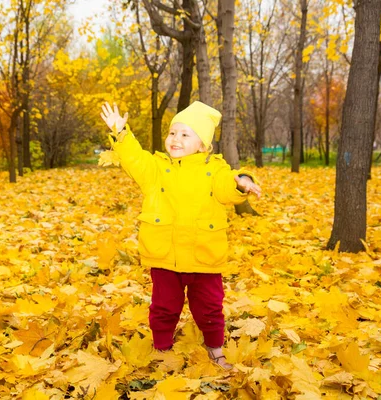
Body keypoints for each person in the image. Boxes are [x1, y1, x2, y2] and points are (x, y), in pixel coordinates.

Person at [99, 101, 261, 370]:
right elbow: (134, 159)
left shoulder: (215, 169)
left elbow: (227, 185)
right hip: (165, 255)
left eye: (185, 134)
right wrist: (121, 133)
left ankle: (215, 347)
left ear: (203, 145)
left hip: (204, 255)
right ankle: (162, 347)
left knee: (210, 307)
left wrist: (242, 182)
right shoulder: (156, 169)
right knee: (163, 306)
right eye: (173, 133)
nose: (175, 139)